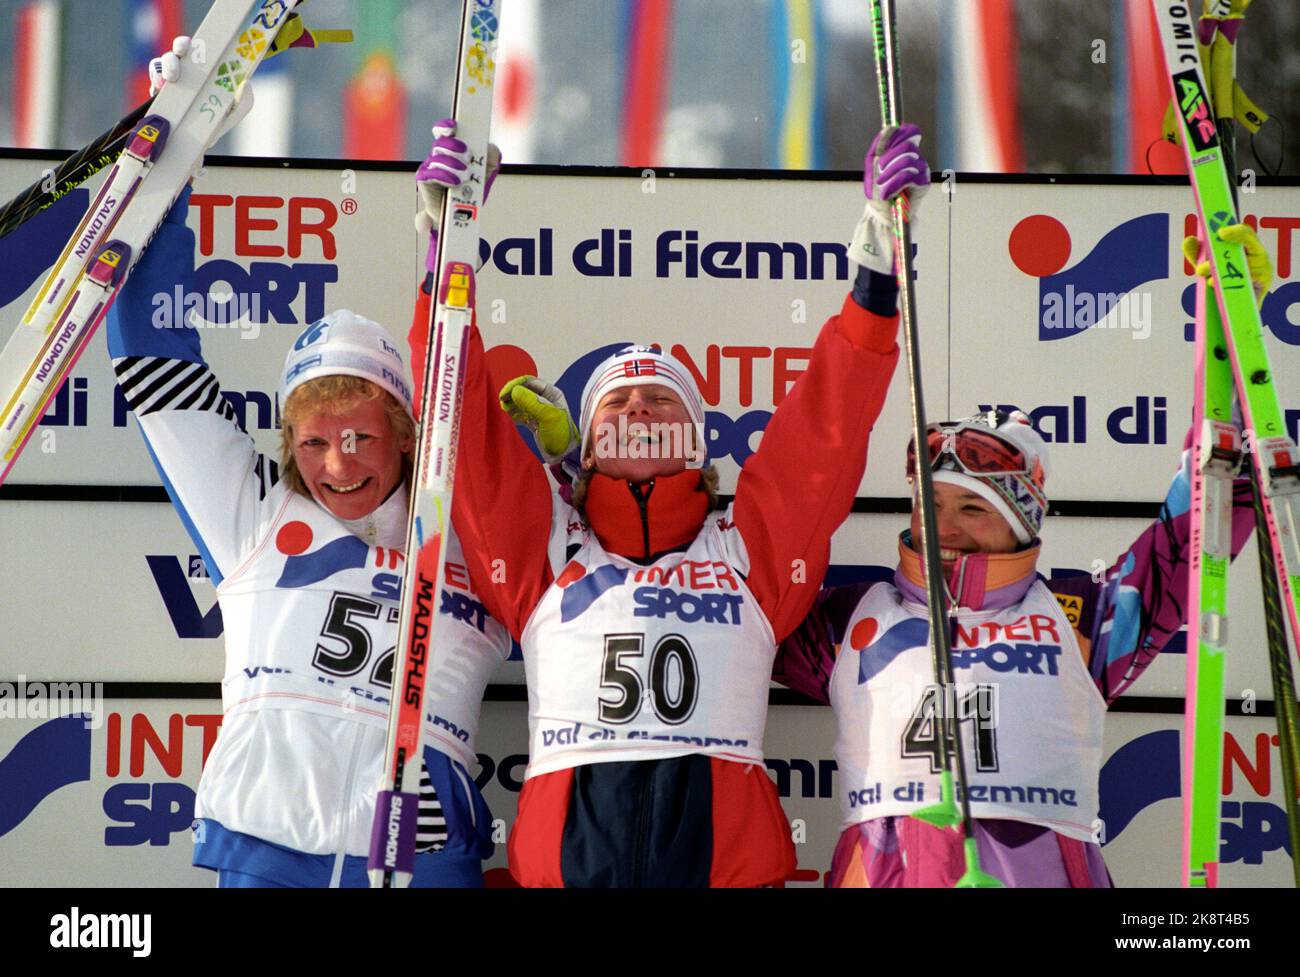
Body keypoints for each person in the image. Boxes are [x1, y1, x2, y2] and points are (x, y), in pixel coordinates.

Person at [419, 123, 930, 887]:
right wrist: (444, 262)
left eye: (662, 400)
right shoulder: (544, 554)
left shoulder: (747, 553)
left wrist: (876, 280)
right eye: (617, 403)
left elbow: (827, 429)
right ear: (586, 449)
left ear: (698, 441)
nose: (640, 410)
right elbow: (453, 424)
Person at [101, 50, 521, 887]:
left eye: (362, 437)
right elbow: (151, 349)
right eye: (315, 441)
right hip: (266, 843)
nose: (337, 464)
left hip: (422, 844)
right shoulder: (253, 513)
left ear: (406, 433)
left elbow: (460, 388)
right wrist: (178, 149)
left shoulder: (473, 526)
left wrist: (448, 249)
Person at [773, 229, 1273, 887]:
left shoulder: (1081, 616)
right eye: (932, 504)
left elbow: (1194, 536)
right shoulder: (847, 619)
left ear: (1021, 520)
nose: (944, 526)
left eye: (973, 509)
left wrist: (1231, 342)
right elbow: (741, 603)